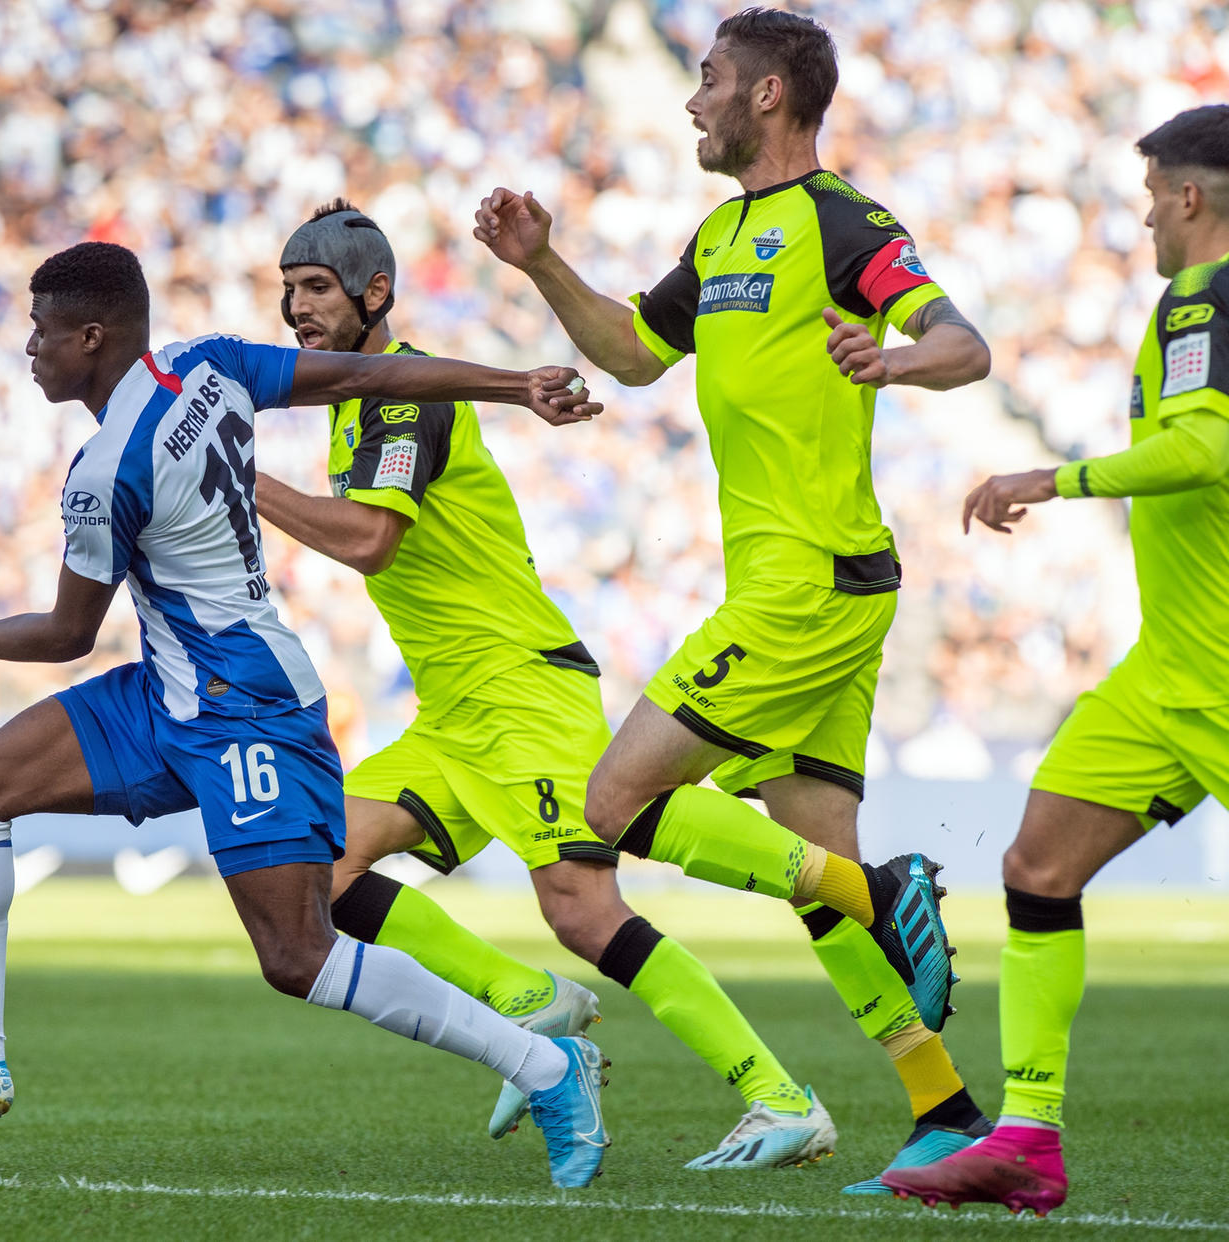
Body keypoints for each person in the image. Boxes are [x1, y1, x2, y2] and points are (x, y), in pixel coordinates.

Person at [0, 240, 619, 1187]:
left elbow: (65, 634)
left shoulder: (105, 472)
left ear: (92, 337)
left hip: (249, 708)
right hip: (167, 689)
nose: (29, 349)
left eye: (41, 333)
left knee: (299, 956)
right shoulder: (209, 365)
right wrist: (516, 386)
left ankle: (547, 1064)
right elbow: (371, 374)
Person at [472, 7, 995, 1192]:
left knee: (611, 801)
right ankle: (947, 1111)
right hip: (810, 586)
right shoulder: (722, 236)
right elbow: (636, 353)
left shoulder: (844, 222)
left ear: (767, 95)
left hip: (806, 588)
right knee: (810, 868)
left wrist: (893, 355)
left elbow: (963, 345)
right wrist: (544, 264)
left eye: (708, 80)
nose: (691, 99)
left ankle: (889, 892)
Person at [257, 199, 835, 1170]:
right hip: (455, 712)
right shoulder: (367, 395)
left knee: (580, 905)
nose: (296, 306)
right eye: (288, 289)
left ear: (376, 292)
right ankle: (531, 1004)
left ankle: (779, 1095)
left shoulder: (402, 397)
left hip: (521, 690)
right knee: (321, 867)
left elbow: (370, 540)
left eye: (315, 286)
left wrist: (243, 479)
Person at [882, 105, 1229, 1218]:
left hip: (1216, 670)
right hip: (1163, 672)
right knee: (1037, 865)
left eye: (1148, 197)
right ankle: (1029, 1137)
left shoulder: (1207, 295)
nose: (1140, 220)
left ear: (1188, 197)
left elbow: (1208, 445)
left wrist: (1053, 479)